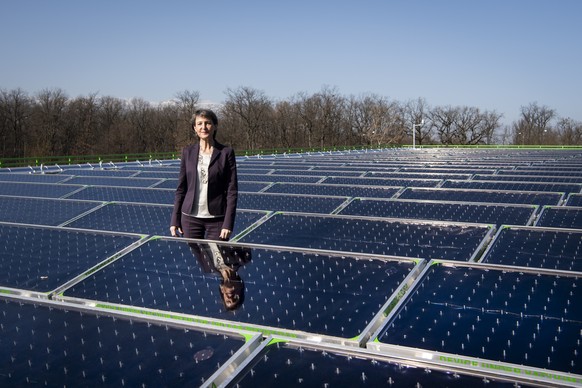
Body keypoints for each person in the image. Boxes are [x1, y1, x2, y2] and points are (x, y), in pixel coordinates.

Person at [170, 109, 238, 240]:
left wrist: (228, 223)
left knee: (217, 257)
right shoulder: (187, 152)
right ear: (194, 128)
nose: (203, 127)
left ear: (215, 126)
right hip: (190, 218)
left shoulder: (226, 153)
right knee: (198, 255)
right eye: (199, 123)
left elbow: (232, 190)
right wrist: (175, 219)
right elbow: (181, 189)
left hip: (217, 218)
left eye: (207, 123)